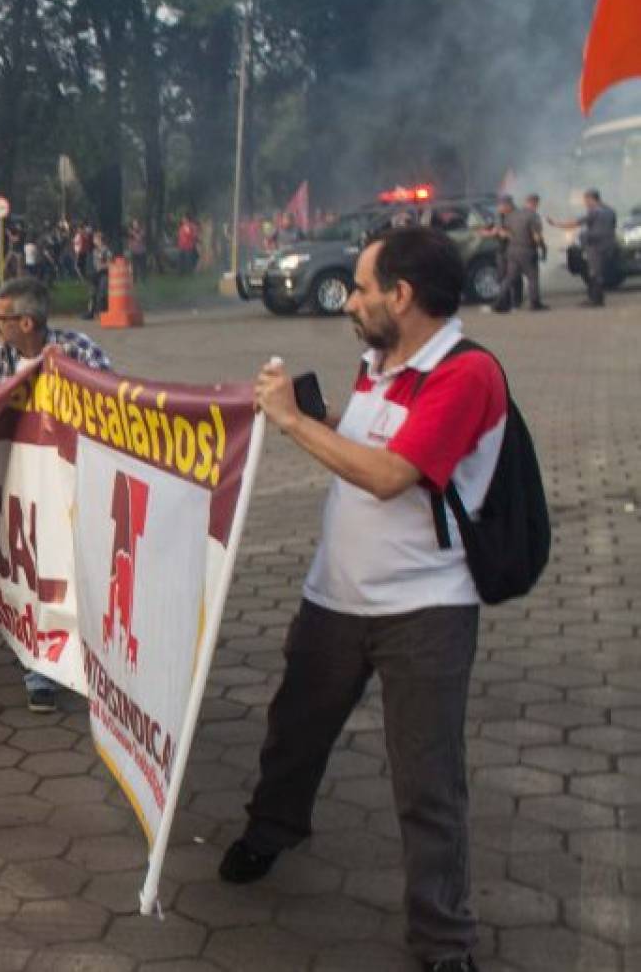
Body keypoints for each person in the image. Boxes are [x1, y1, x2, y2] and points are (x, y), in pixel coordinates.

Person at [220, 227, 508, 972]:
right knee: (295, 730)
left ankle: (444, 939)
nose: (350, 300)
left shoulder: (466, 373)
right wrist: (317, 419)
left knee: (427, 779)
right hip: (335, 597)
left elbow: (388, 474)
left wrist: (293, 420)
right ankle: (272, 829)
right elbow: (360, 445)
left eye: (361, 287)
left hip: (426, 609)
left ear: (402, 297)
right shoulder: (379, 359)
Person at [0, 277, 112, 713]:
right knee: (31, 576)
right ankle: (39, 668)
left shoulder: (79, 351)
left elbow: (116, 411)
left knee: (77, 574)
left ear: (26, 322)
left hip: (71, 488)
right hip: (22, 488)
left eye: (0, 319)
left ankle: (88, 659)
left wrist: (70, 382)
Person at [548, 188, 617, 306]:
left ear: (591, 199)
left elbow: (575, 223)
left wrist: (556, 224)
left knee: (594, 272)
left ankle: (596, 299)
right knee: (598, 272)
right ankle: (596, 298)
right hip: (608, 245)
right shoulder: (610, 211)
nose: (585, 203)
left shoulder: (595, 211)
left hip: (595, 245)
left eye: (586, 200)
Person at [491, 195, 546, 312]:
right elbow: (537, 237)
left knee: (510, 277)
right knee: (532, 277)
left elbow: (502, 232)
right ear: (535, 204)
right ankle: (535, 303)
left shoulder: (510, 216)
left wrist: (513, 238)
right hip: (527, 250)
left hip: (512, 251)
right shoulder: (533, 216)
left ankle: (499, 301)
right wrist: (542, 248)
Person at [84, 231, 113, 319]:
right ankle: (91, 312)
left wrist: (103, 266)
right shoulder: (94, 250)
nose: (94, 241)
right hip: (95, 274)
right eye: (94, 239)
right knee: (92, 294)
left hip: (103, 274)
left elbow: (110, 262)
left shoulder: (106, 250)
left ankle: (103, 312)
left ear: (100, 240)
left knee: (102, 294)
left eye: (96, 239)